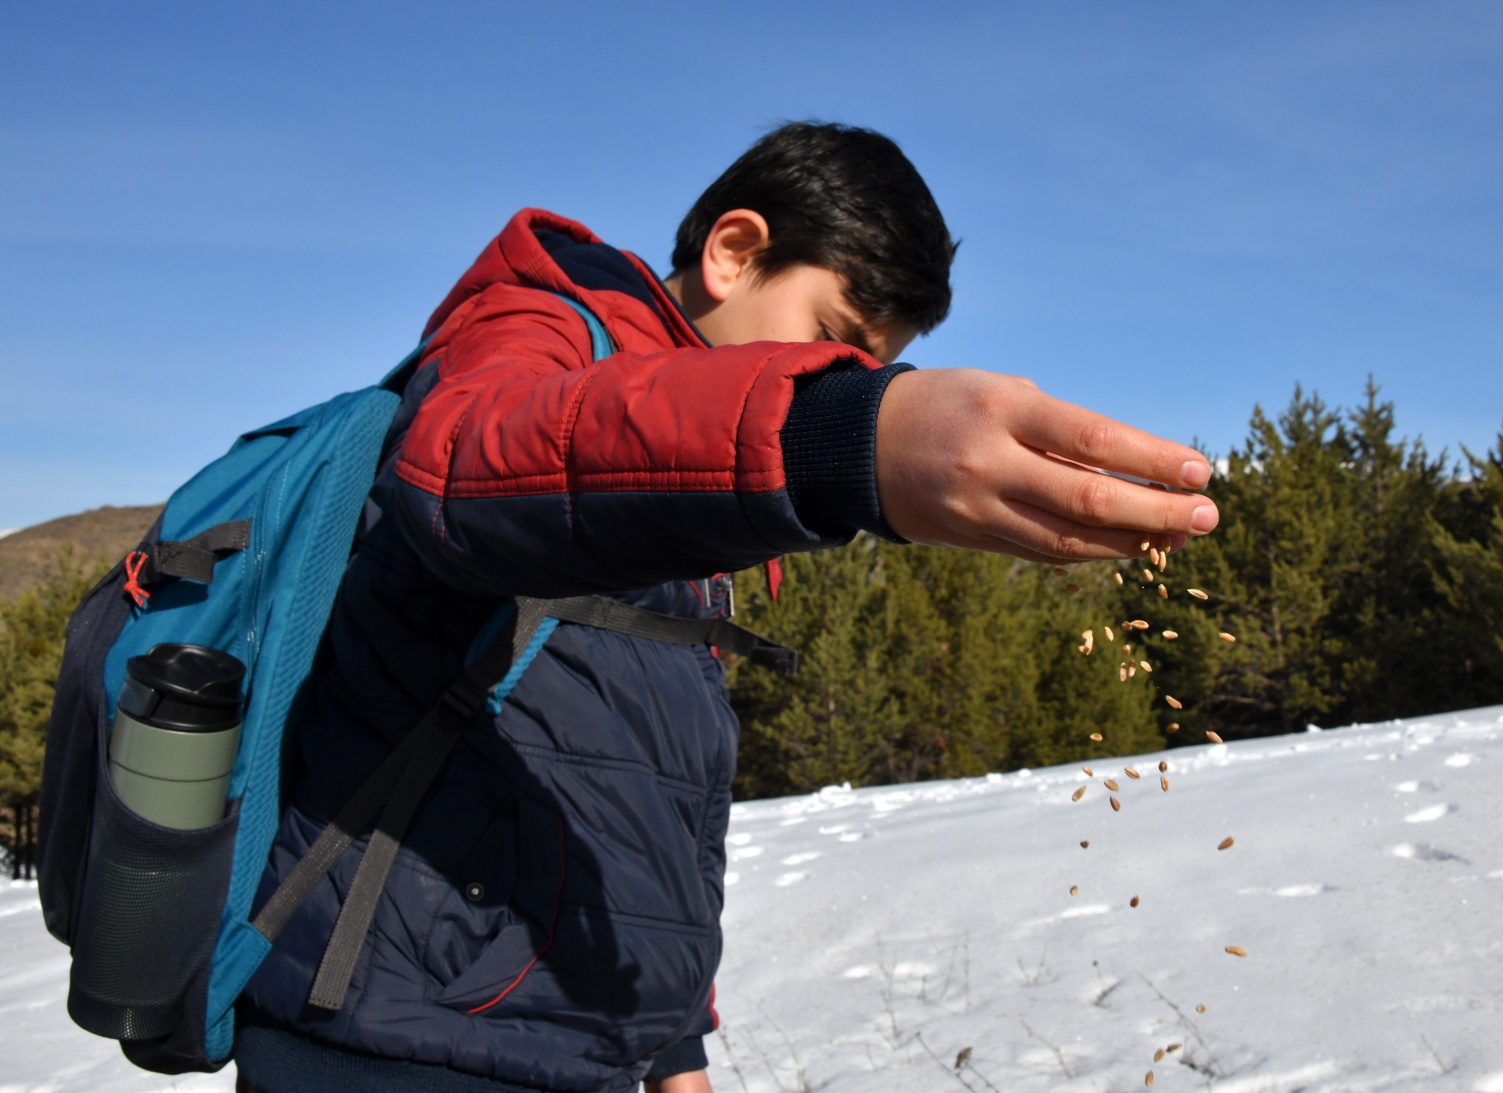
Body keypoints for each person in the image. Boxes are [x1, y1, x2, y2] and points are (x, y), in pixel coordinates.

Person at [232, 122, 1218, 1093]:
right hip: (384, 1036)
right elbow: (463, 466)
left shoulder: (699, 518)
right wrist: (833, 438)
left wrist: (675, 1045)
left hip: (567, 1037)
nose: (842, 379)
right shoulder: (540, 329)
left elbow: (636, 790)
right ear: (733, 251)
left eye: (870, 370)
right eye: (834, 341)